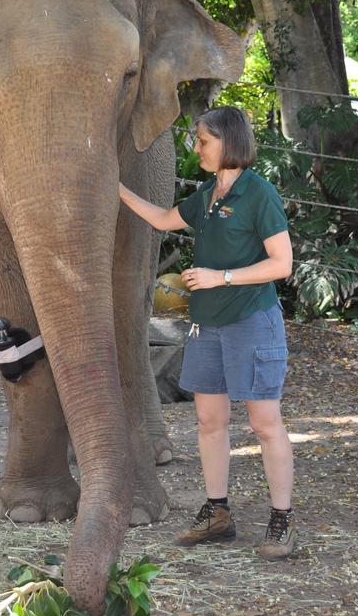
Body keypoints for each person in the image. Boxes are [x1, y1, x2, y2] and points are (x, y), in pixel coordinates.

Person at [118, 105, 297, 560]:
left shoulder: (260, 194)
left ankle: (282, 520)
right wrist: (115, 189)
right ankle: (218, 513)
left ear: (229, 142)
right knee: (209, 422)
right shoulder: (208, 193)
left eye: (203, 141)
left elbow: (282, 264)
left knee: (264, 423)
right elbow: (161, 219)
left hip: (251, 321)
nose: (196, 148)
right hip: (206, 326)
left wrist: (223, 277)